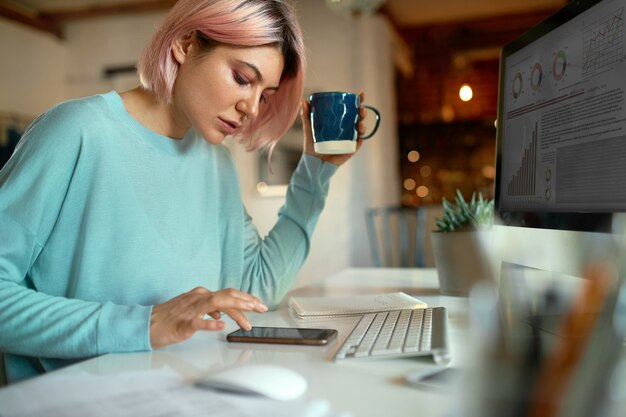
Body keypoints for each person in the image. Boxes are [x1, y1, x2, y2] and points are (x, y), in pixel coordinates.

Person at [0, 0, 370, 383]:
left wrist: (318, 169)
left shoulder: (217, 163)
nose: (252, 108)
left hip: (187, 394)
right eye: (243, 78)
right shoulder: (77, 132)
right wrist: (142, 325)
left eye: (265, 94)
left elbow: (256, 289)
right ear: (185, 43)